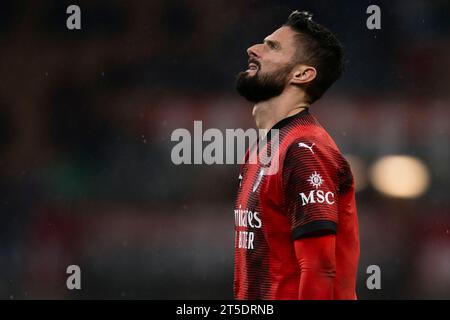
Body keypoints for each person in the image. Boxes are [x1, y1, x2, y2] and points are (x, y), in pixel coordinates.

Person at [233, 10, 360, 300]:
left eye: (272, 46)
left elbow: (319, 269)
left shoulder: (305, 150)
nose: (253, 49)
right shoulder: (262, 150)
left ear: (302, 74)